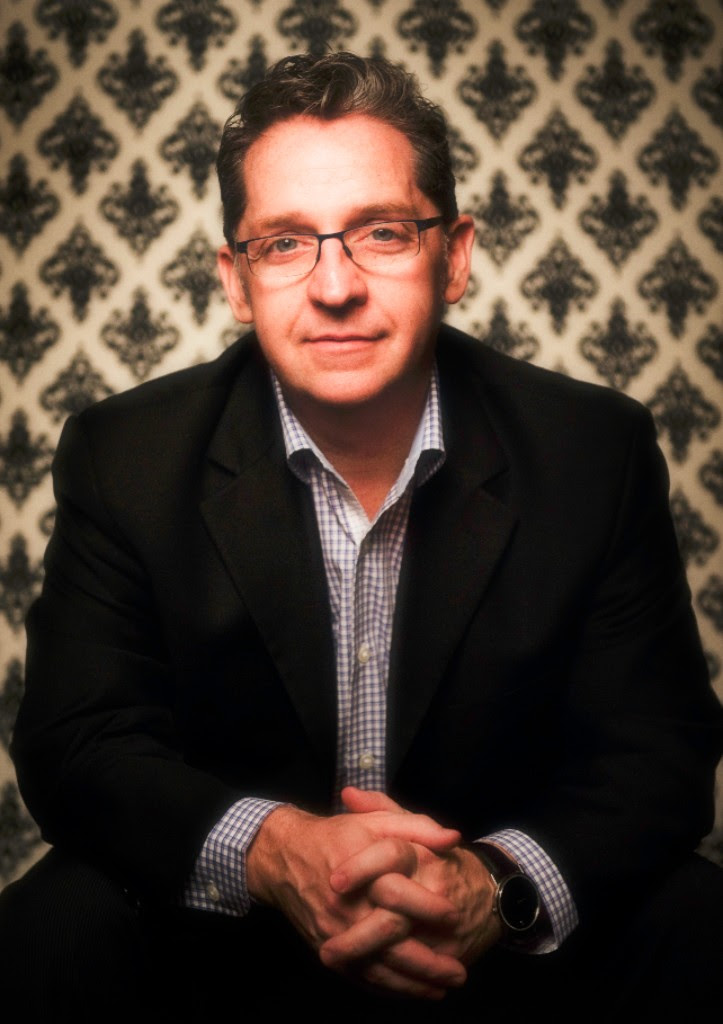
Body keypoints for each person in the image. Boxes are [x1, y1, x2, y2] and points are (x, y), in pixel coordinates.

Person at [1, 51, 722, 1022]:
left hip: (506, 966)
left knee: (697, 917)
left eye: (381, 232)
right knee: (53, 924)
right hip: (222, 954)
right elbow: (77, 740)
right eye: (285, 243)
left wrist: (492, 883)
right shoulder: (123, 455)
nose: (334, 285)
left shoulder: (593, 450)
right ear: (236, 280)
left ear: (453, 255)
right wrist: (273, 851)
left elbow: (659, 753)